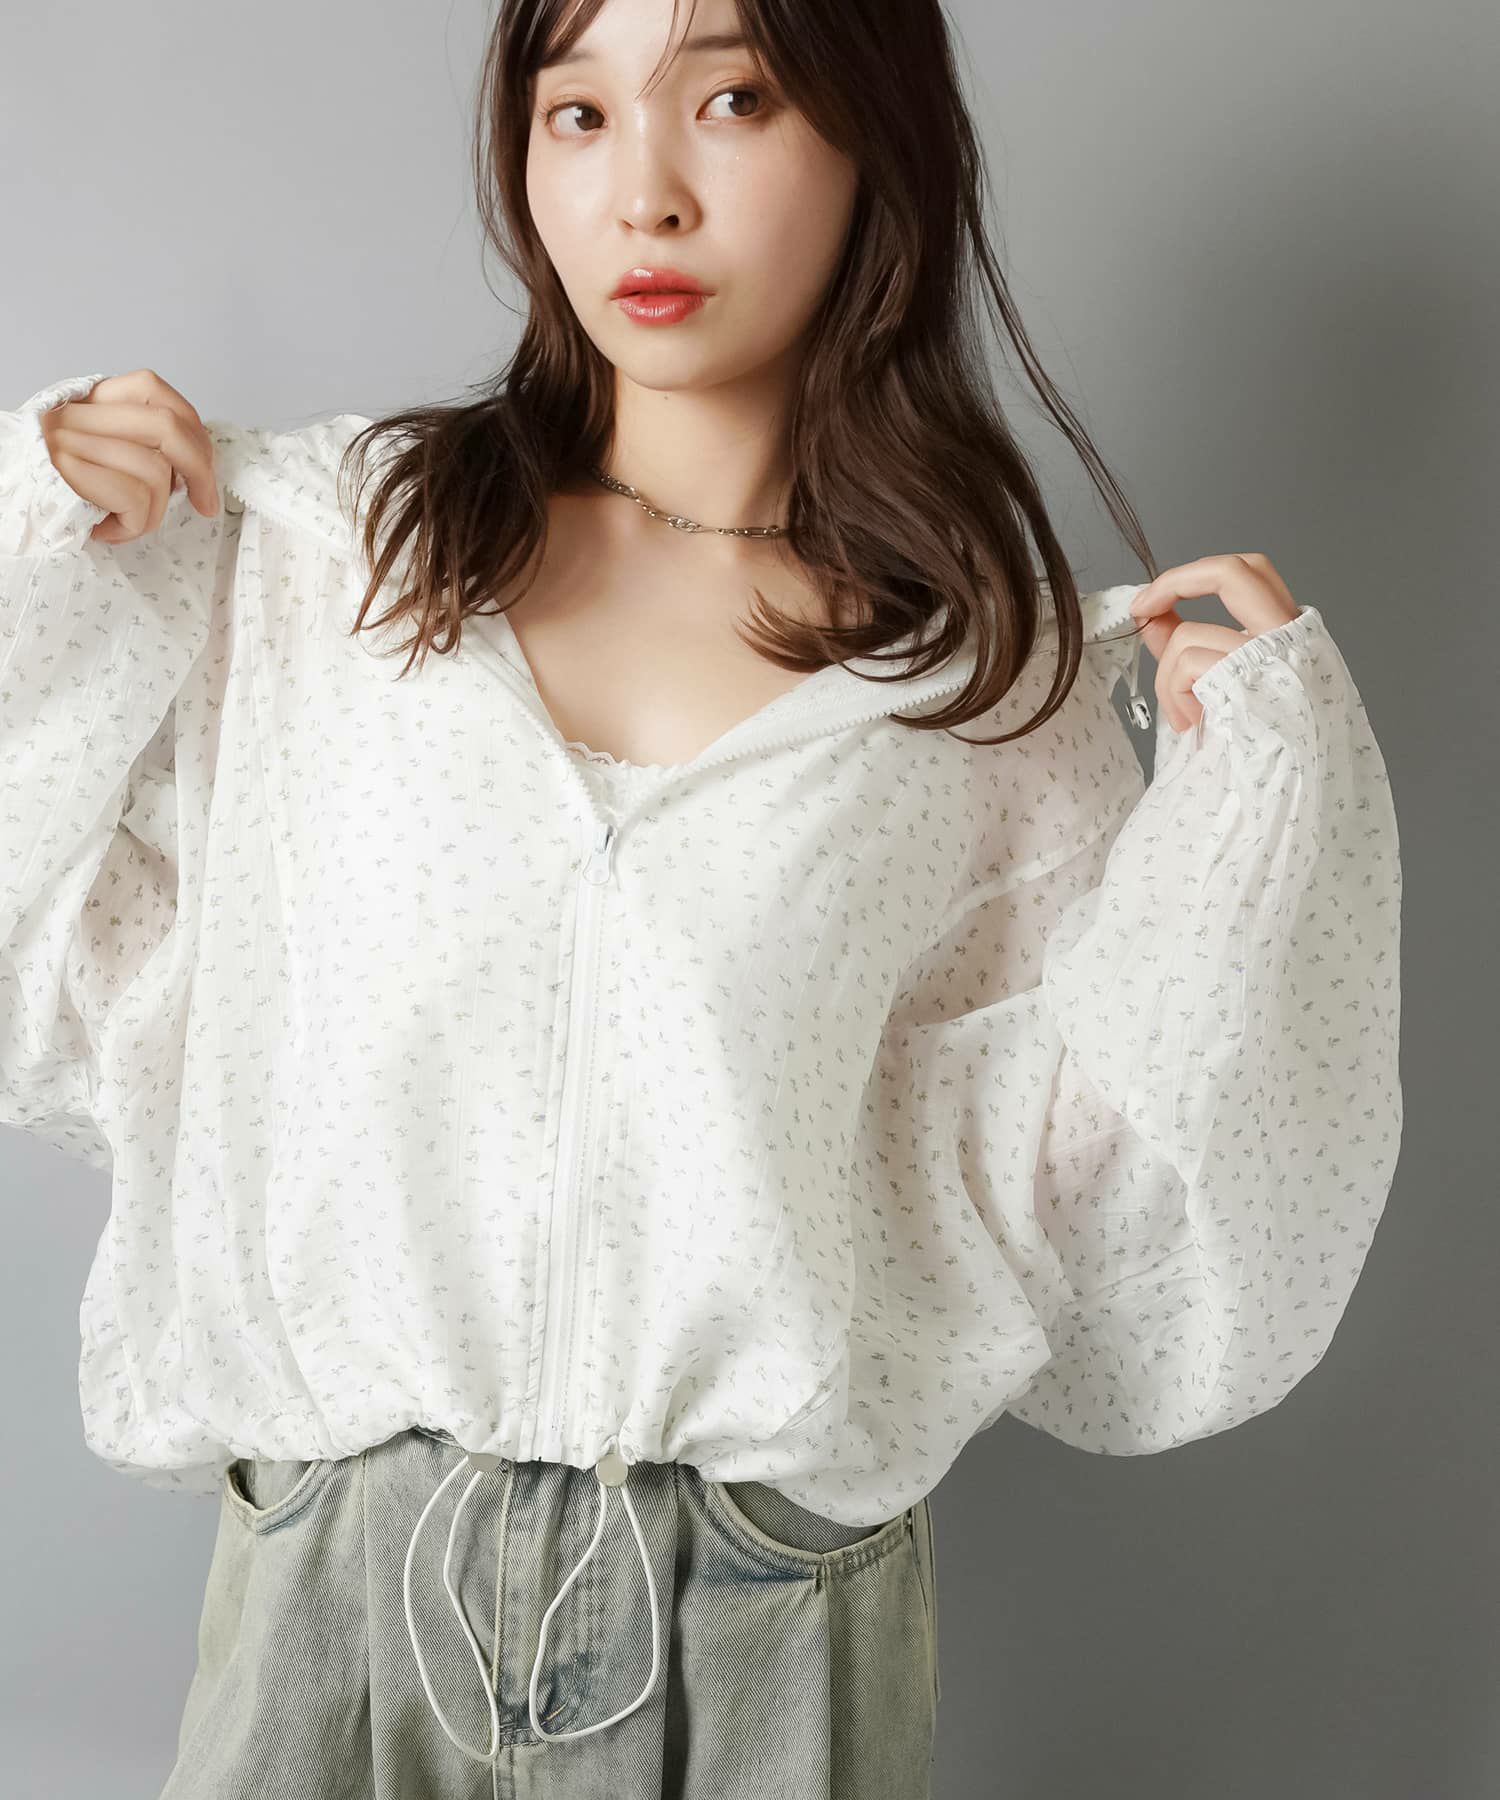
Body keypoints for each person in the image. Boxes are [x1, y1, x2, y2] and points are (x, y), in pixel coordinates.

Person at [0, 0, 1403, 1794]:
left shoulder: (980, 686)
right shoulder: (331, 560)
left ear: (875, 141)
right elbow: (55, 942)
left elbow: (1093, 1211)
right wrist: (32, 541)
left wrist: (1248, 814)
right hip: (337, 1599)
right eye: (577, 114)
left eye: (732, 98)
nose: (642, 193)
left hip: (766, 1625)